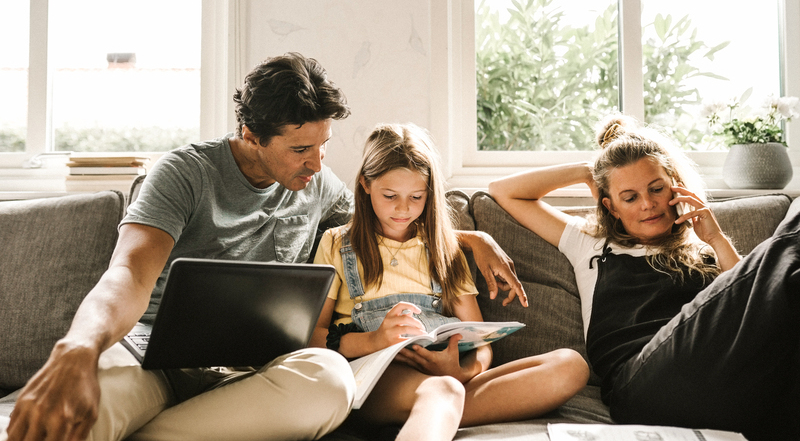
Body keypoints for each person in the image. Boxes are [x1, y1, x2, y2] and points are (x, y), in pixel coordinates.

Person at [3, 53, 523, 441]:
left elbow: (387, 223)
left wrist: (468, 236)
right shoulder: (184, 174)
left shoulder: (318, 185)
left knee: (331, 382)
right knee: (68, 417)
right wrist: (79, 346)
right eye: (300, 149)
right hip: (155, 360)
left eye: (322, 147)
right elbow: (128, 276)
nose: (316, 164)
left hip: (261, 371)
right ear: (251, 134)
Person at [488, 114, 800, 440]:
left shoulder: (704, 251)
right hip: (642, 385)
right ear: (611, 207)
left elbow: (753, 308)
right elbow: (504, 191)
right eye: (630, 197)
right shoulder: (590, 243)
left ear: (674, 188)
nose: (648, 205)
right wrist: (585, 170)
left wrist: (717, 240)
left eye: (656, 189)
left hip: (721, 385)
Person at [311, 123, 590, 441]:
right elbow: (312, 338)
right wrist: (373, 341)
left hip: (445, 376)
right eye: (390, 196)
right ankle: (440, 402)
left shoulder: (444, 249)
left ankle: (437, 410)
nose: (403, 208)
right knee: (441, 390)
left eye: (416, 196)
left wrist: (464, 370)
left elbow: (482, 343)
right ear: (365, 185)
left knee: (571, 365)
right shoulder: (336, 244)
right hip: (374, 378)